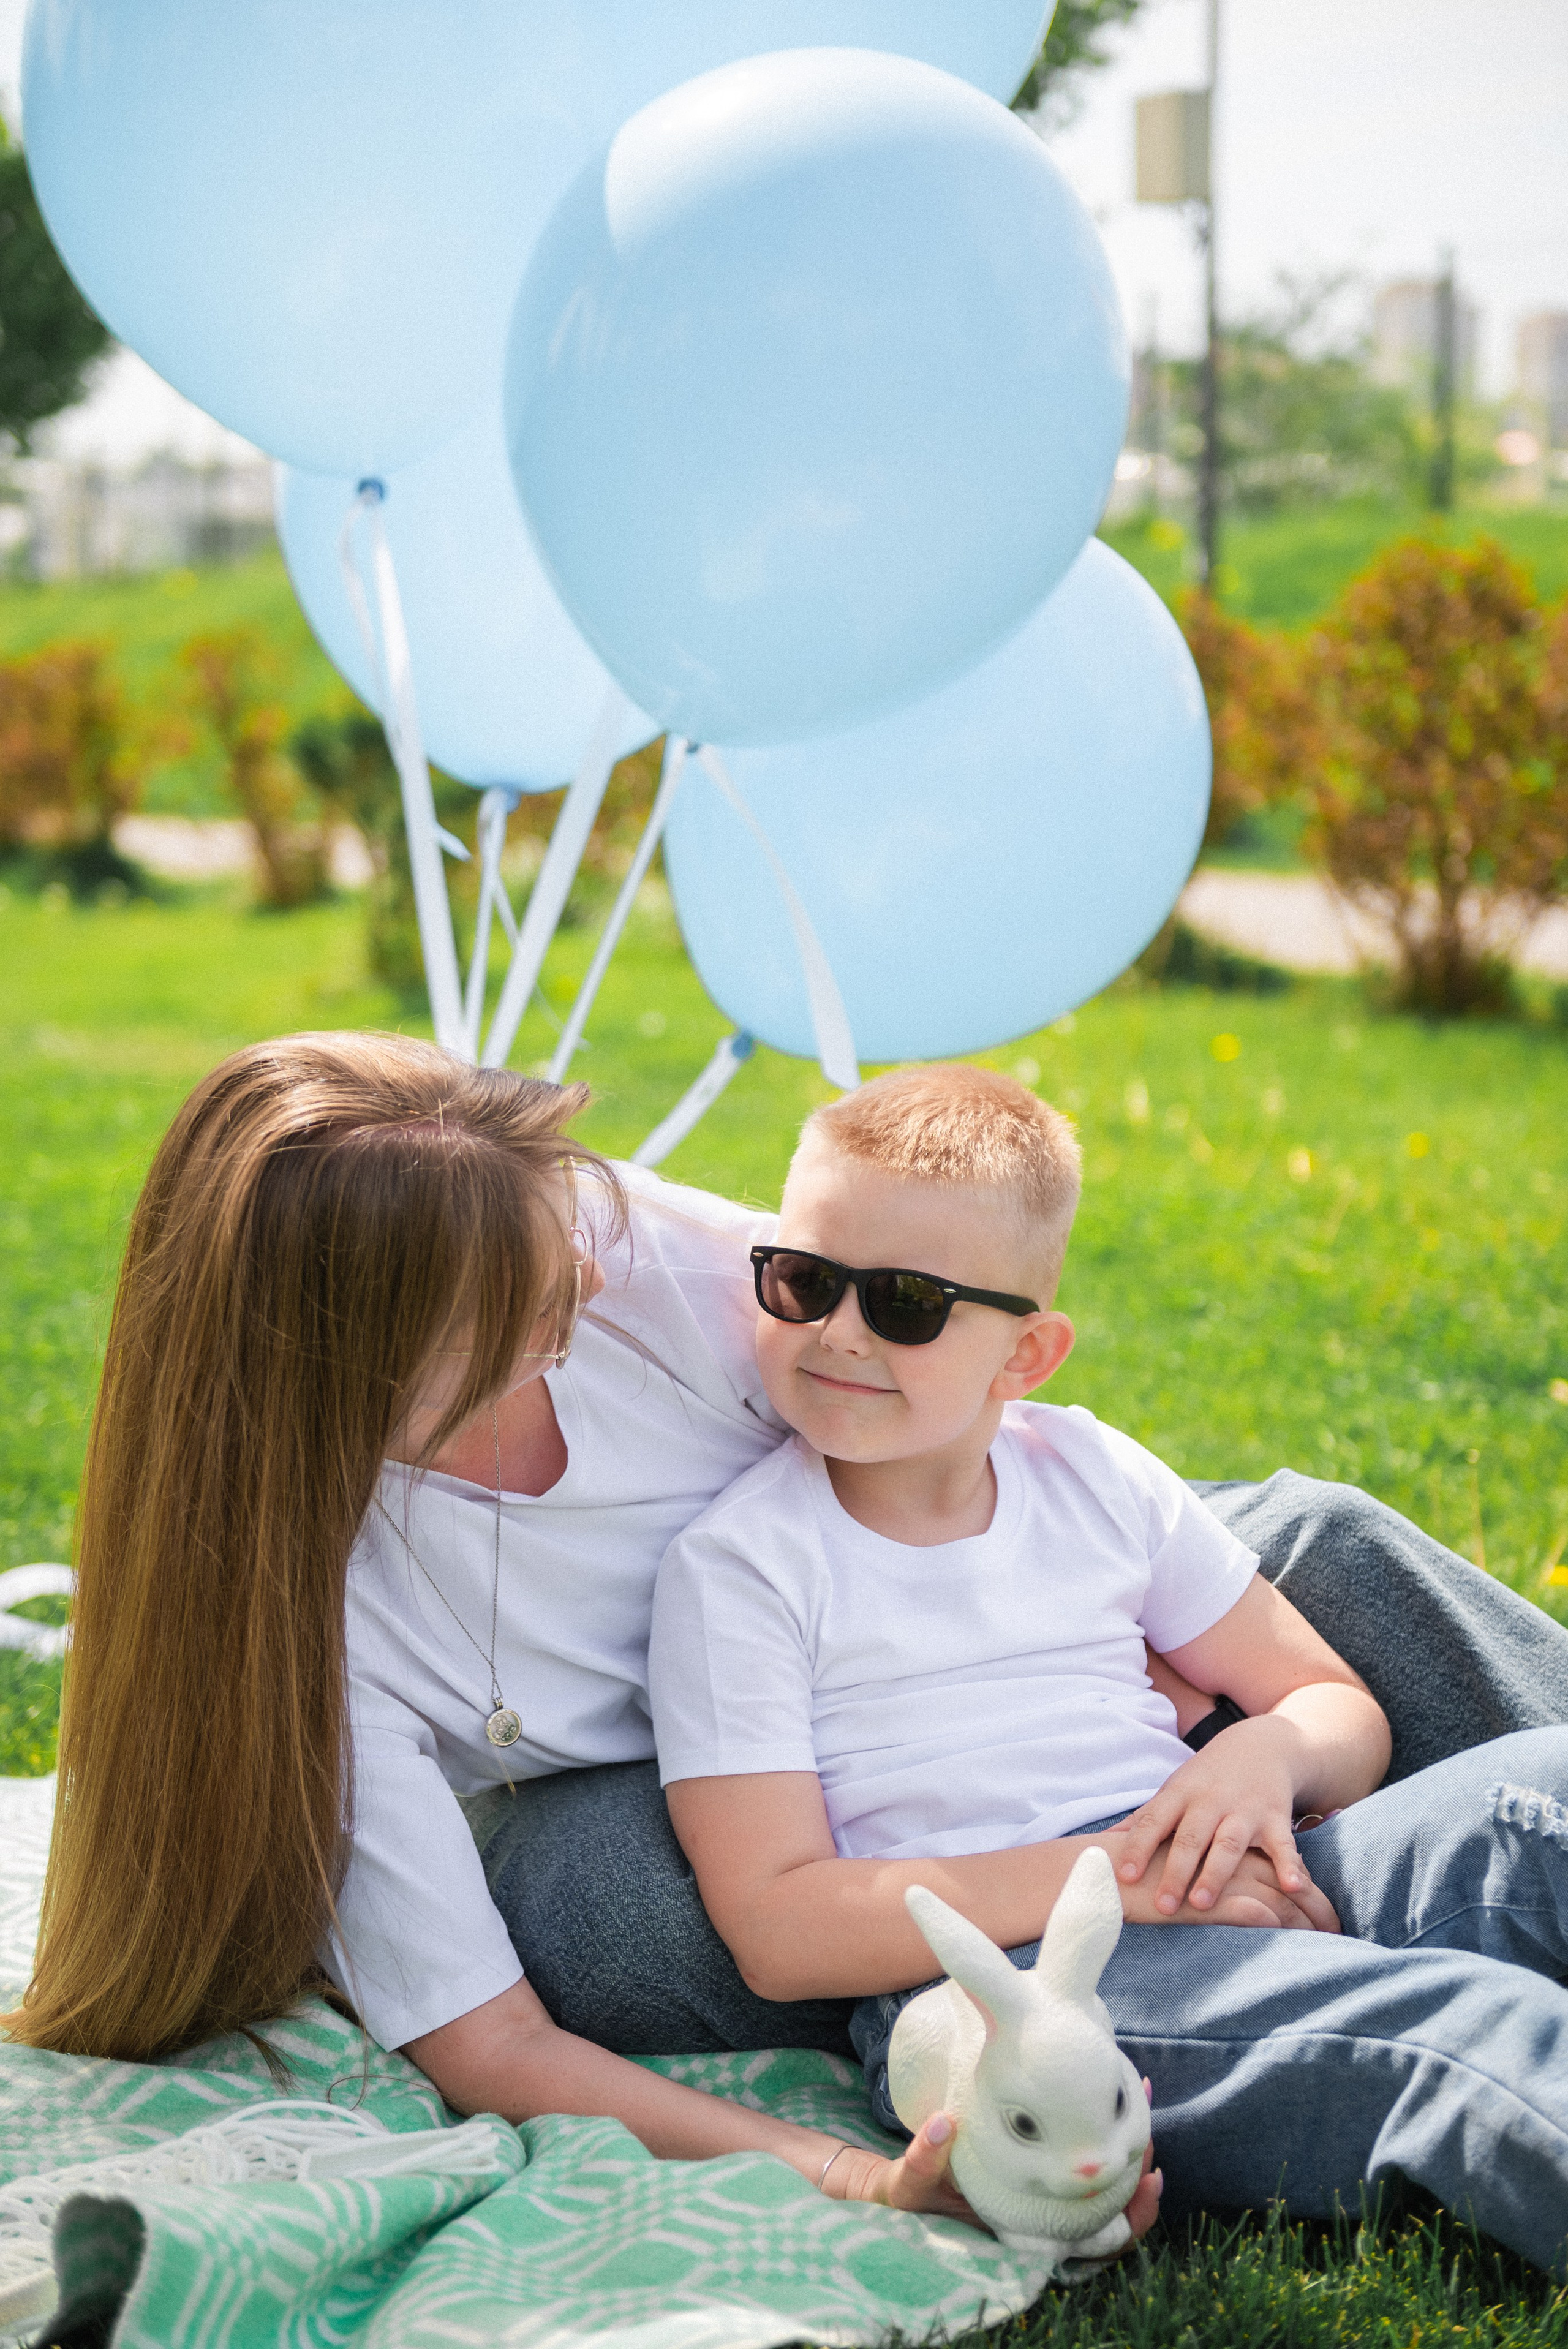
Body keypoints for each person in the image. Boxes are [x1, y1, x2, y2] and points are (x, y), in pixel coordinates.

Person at [10, 1034, 1568, 2247]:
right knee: (601, 1895)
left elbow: (938, 1332)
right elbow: (504, 2037)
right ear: (352, 1366)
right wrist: (865, 2173)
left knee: (1329, 1552)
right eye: (522, 1308)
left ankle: (1399, 1867)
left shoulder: (653, 1259)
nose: (587, 1285)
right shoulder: (326, 1609)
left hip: (973, 1654)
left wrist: (1174, 1705)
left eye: (570, 1237)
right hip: (792, 1829)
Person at [647, 1065, 1568, 2274]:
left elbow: (1332, 1707)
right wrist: (1121, 1881)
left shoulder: (1089, 1473)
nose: (839, 1331)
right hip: (1020, 1999)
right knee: (1463, 2035)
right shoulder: (740, 1568)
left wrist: (1261, 1755)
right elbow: (778, 1928)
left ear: (1026, 1353)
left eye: (908, 1303)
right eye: (804, 1280)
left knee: (1542, 1790)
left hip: (1212, 1867)